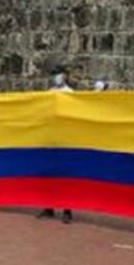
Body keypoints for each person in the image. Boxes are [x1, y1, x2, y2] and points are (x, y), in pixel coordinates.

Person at [38, 71, 76, 224]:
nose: (58, 78)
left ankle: (67, 210)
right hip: (50, 139)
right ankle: (49, 207)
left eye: (60, 75)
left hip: (65, 140)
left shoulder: (70, 93)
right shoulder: (50, 92)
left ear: (66, 77)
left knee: (65, 177)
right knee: (48, 176)